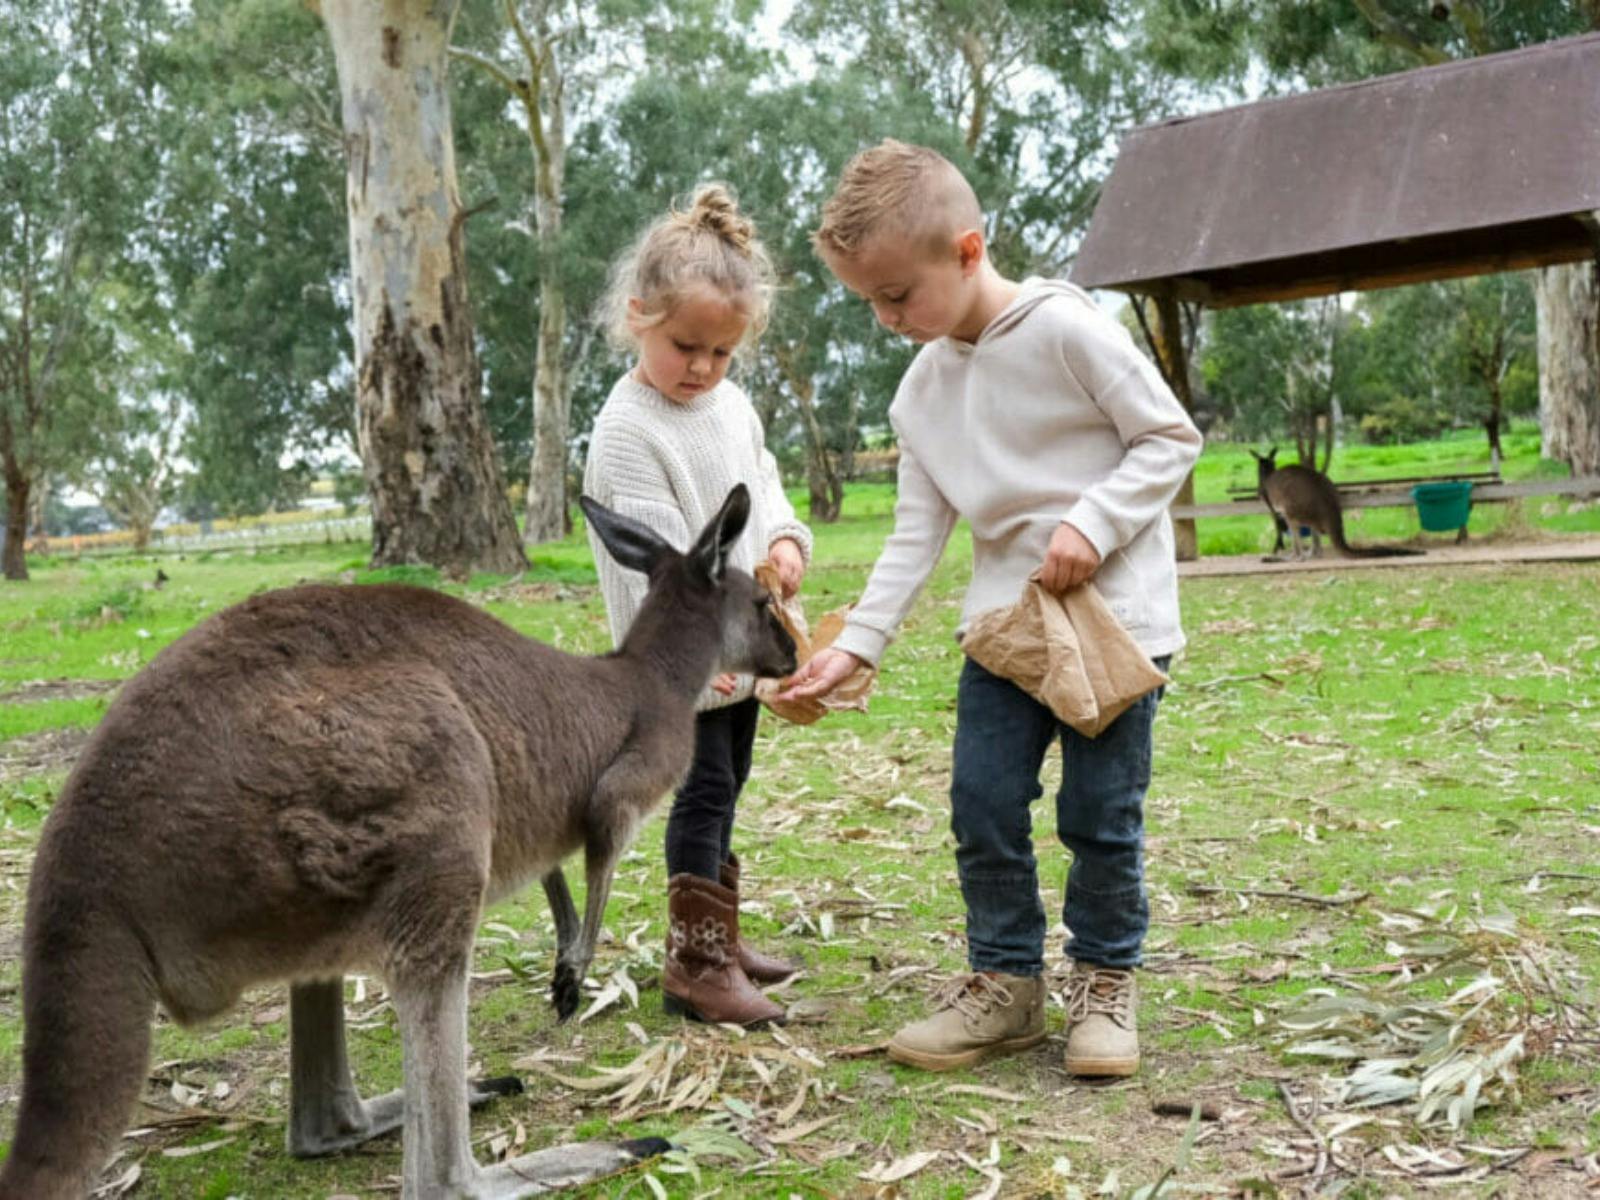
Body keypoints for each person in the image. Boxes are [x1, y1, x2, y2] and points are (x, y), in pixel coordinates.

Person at [778, 139, 1202, 1076]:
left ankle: (1104, 981)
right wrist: (861, 647)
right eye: (870, 302)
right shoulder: (921, 392)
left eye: (898, 294)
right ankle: (1005, 983)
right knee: (981, 803)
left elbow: (1168, 439)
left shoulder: (1067, 330)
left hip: (1115, 626)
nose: (888, 318)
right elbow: (915, 536)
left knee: (1100, 813)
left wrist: (1092, 523)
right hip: (1004, 635)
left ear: (968, 251)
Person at [584, 183, 811, 1027]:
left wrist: (785, 543)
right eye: (686, 346)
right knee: (704, 790)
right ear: (637, 315)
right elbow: (672, 572)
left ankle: (722, 931)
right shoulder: (627, 431)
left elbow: (767, 484)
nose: (703, 369)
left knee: (731, 781)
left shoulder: (728, 403)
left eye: (722, 353)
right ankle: (696, 965)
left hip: (738, 650)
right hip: (685, 664)